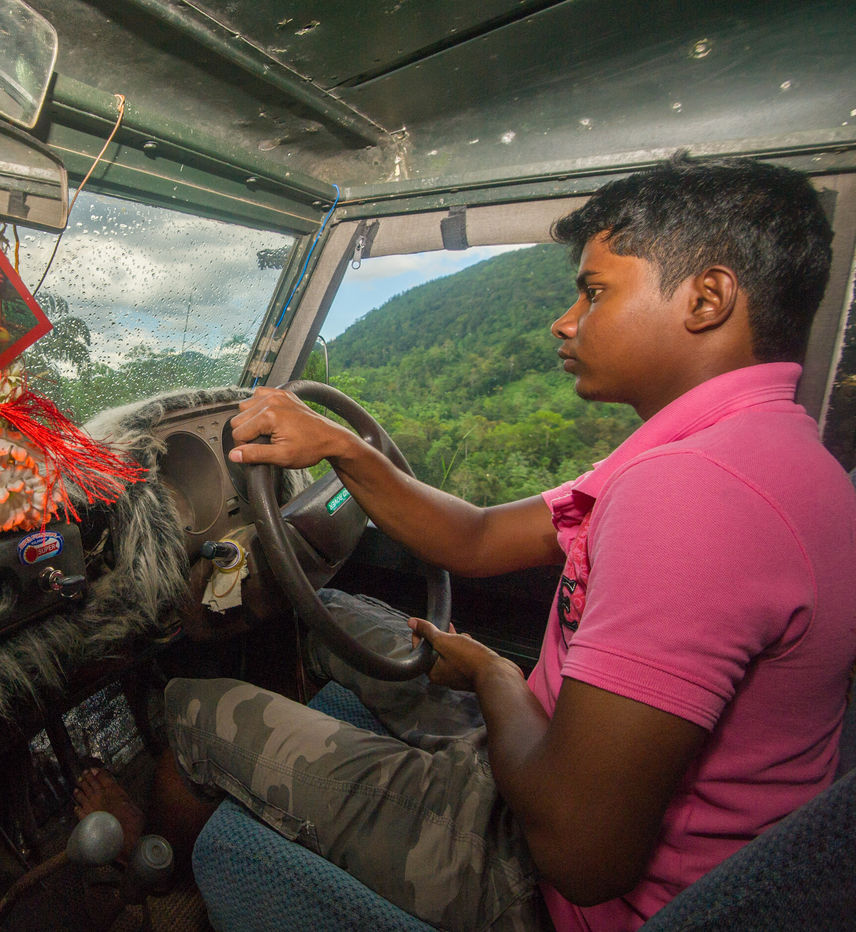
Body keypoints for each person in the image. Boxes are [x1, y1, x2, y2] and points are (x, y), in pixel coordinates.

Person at [106, 154, 856, 932]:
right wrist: (344, 448)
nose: (565, 320)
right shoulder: (760, 455)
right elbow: (479, 537)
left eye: (595, 292)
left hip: (542, 879)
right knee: (327, 611)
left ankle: (161, 895)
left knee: (193, 708)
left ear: (708, 298)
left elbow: (580, 850)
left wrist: (495, 678)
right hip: (561, 754)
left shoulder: (699, 496)